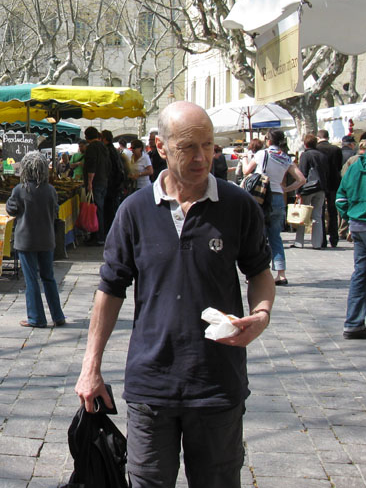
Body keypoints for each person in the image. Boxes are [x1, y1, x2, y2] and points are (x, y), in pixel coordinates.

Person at [75, 101, 275, 488]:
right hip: (152, 384)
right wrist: (91, 367)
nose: (202, 157)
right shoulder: (134, 211)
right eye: (188, 147)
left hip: (217, 383)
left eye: (208, 145)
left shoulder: (238, 206)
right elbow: (110, 290)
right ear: (161, 147)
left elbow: (260, 272)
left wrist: (261, 312)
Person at [6, 151, 66, 329]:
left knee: (31, 279)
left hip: (26, 241)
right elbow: (55, 210)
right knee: (49, 278)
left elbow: (11, 210)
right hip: (47, 239)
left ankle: (36, 317)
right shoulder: (50, 190)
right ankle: (57, 315)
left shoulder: (20, 189)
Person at [242, 129, 305, 286]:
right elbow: (301, 179)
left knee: (258, 236)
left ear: (268, 141)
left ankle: (257, 273)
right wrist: (286, 189)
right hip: (277, 197)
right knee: (276, 236)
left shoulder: (262, 154)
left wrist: (244, 158)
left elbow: (246, 171)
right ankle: (281, 274)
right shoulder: (285, 157)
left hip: (261, 197)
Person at [336, 140, 366, 339]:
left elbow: (341, 198)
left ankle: (353, 323)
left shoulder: (355, 166)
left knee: (360, 275)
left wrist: (349, 217)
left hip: (358, 225)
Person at [293, 133, 330, 250]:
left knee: (302, 215)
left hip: (308, 188)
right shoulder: (323, 155)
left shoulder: (305, 155)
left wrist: (298, 190)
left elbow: (303, 173)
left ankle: (299, 242)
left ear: (305, 143)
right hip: (321, 188)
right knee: (317, 216)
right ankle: (317, 243)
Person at [83, 126, 111, 246]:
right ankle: (99, 235)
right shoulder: (103, 147)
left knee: (96, 210)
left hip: (96, 182)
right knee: (99, 209)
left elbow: (92, 166)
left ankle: (98, 236)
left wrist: (89, 182)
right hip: (103, 181)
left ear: (87, 137)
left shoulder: (91, 148)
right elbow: (108, 165)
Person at [316, 130, 343, 248]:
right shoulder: (336, 149)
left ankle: (322, 239)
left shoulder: (316, 149)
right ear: (328, 137)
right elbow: (339, 166)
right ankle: (334, 238)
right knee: (333, 211)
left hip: (320, 183)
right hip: (334, 183)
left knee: (320, 211)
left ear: (318, 137)